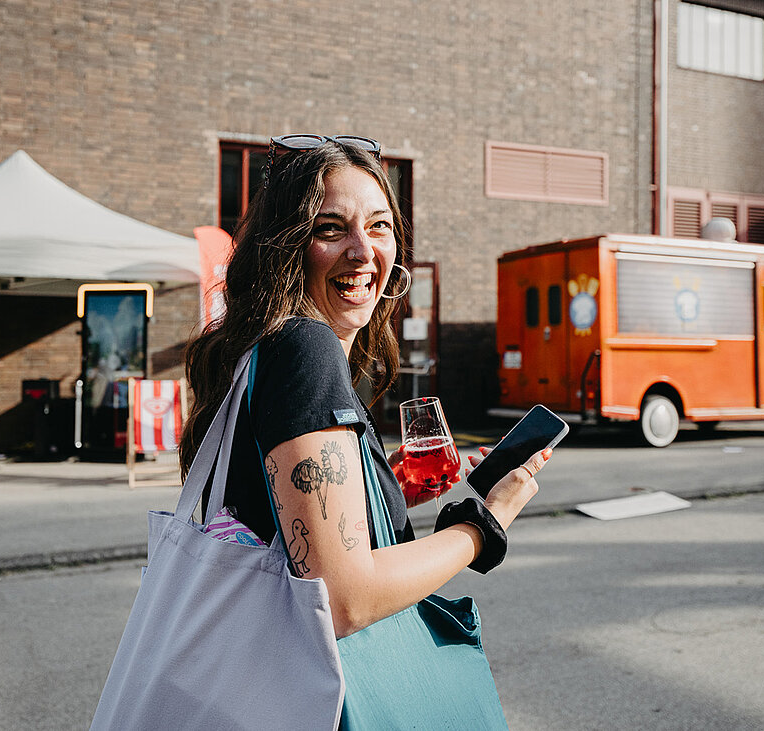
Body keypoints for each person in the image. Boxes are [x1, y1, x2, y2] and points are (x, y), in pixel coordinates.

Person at [180, 136, 549, 667]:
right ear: (285, 246)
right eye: (330, 229)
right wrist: (484, 523)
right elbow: (343, 601)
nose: (362, 250)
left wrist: (379, 489)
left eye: (379, 226)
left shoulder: (266, 348)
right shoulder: (305, 348)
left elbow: (275, 513)